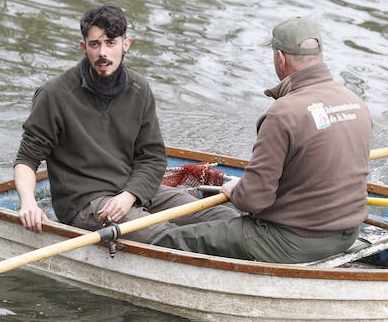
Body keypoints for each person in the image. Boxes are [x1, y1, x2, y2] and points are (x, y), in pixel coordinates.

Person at [152, 16, 373, 263]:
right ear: (321, 54)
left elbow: (254, 200)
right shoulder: (356, 103)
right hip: (348, 233)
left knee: (171, 238)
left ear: (280, 58)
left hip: (294, 241)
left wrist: (236, 191)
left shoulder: (283, 114)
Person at [13, 4, 237, 243]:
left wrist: (130, 194)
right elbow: (27, 159)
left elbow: (152, 157)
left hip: (133, 190)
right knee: (168, 236)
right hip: (87, 202)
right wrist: (28, 204)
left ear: (125, 45)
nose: (103, 53)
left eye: (111, 43)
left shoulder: (139, 89)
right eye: (95, 44)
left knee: (225, 218)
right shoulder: (54, 94)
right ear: (84, 47)